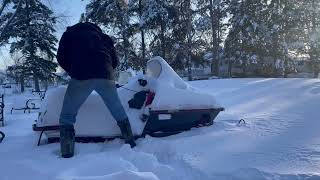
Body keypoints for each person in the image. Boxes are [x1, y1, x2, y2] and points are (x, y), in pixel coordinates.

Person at [57, 22, 136, 158]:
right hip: (105, 74)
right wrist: (106, 71)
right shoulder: (103, 37)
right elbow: (115, 61)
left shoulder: (69, 35)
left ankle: (67, 154)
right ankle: (131, 142)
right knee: (118, 110)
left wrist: (74, 71)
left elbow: (61, 57)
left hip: (81, 75)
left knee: (67, 116)